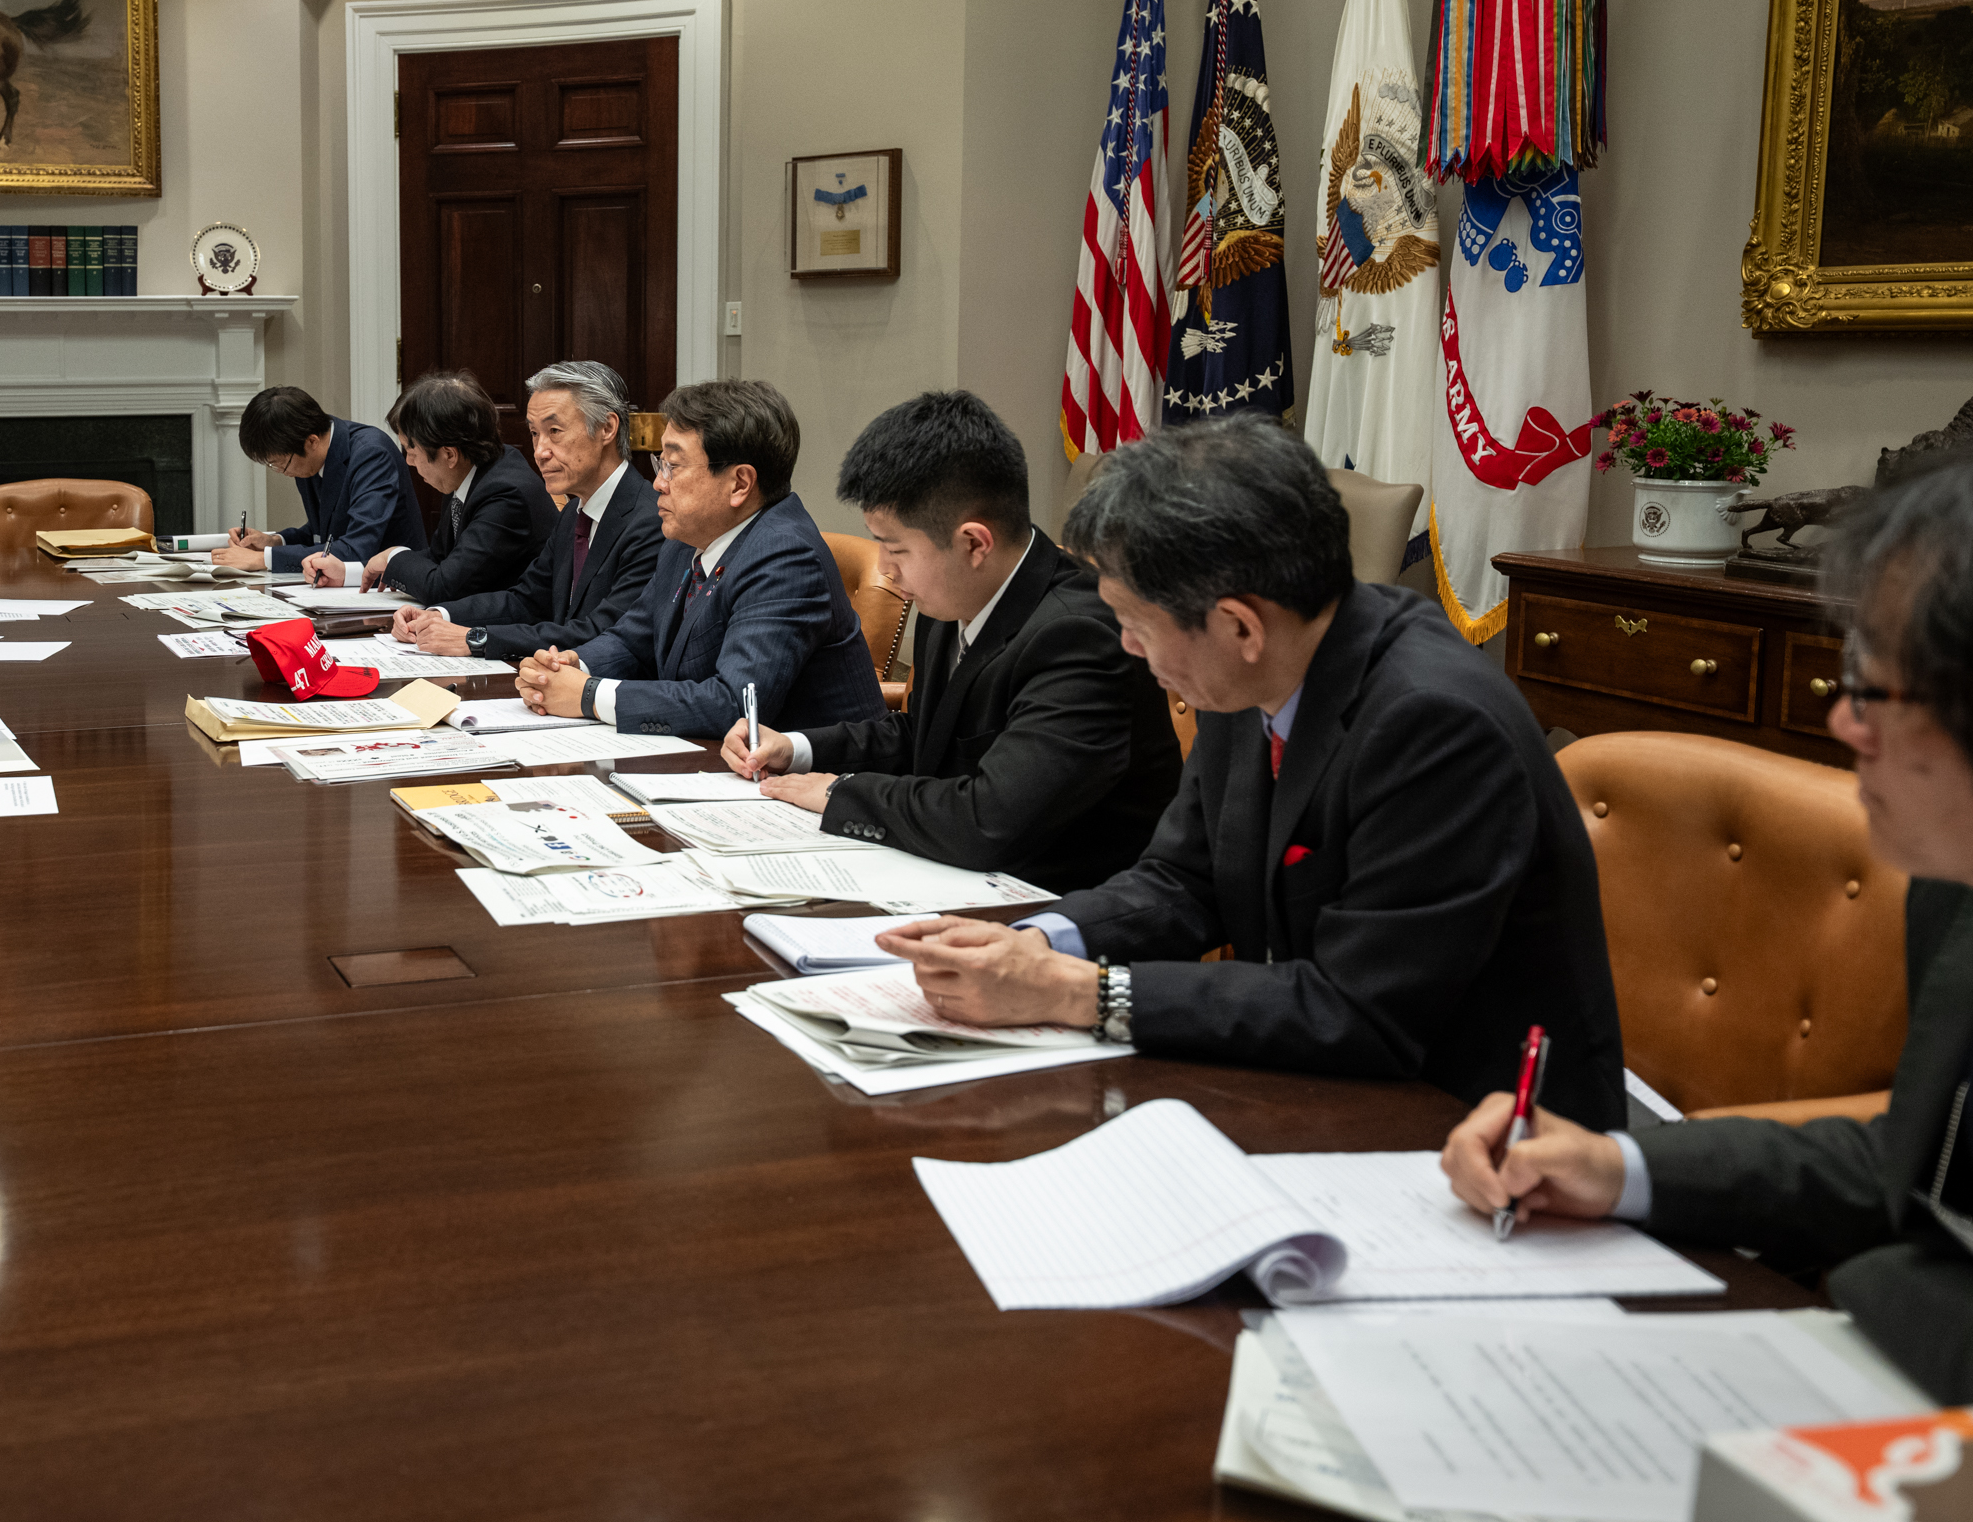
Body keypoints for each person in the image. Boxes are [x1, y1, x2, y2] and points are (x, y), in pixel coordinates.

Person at [876, 415, 1625, 1122]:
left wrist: (1085, 991)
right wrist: (1041, 939)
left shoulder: (1433, 723)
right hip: (1303, 1084)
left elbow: (1359, 1010)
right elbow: (1182, 878)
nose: (1129, 650)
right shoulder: (1250, 676)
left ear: (1239, 625)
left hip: (1471, 1129)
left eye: (1137, 627)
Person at [1444, 457, 1973, 1403]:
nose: (1846, 723)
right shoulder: (1954, 886)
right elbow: (1915, 1160)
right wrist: (1619, 1167)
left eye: (1880, 691)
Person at [722, 390, 1181, 886]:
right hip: (955, 876)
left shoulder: (1079, 635)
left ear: (973, 543)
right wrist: (796, 746)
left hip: (1052, 906)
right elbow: (925, 735)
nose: (885, 571)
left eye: (895, 549)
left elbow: (990, 820)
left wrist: (842, 792)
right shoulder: (951, 595)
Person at [515, 379, 884, 739]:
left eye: (673, 466)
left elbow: (735, 703)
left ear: (739, 484)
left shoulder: (785, 557)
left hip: (811, 782)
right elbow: (631, 639)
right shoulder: (685, 538)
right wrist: (569, 666)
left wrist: (589, 695)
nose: (658, 483)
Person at [394, 360, 661, 659]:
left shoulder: (650, 521)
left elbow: (599, 631)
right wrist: (439, 615)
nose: (540, 451)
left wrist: (475, 639)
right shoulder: (574, 513)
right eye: (535, 433)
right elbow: (526, 601)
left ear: (607, 428)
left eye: (555, 431)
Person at [343, 371, 555, 600]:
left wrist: (394, 557)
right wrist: (349, 572)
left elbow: (444, 586)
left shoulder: (505, 495)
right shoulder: (467, 471)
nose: (408, 462)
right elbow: (440, 557)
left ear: (449, 455)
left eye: (412, 452)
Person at [213, 386, 428, 574]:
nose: (281, 471)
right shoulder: (310, 458)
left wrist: (263, 560)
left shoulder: (371, 455)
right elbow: (325, 533)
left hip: (390, 586)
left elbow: (355, 548)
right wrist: (274, 542)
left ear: (311, 441)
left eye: (279, 463)